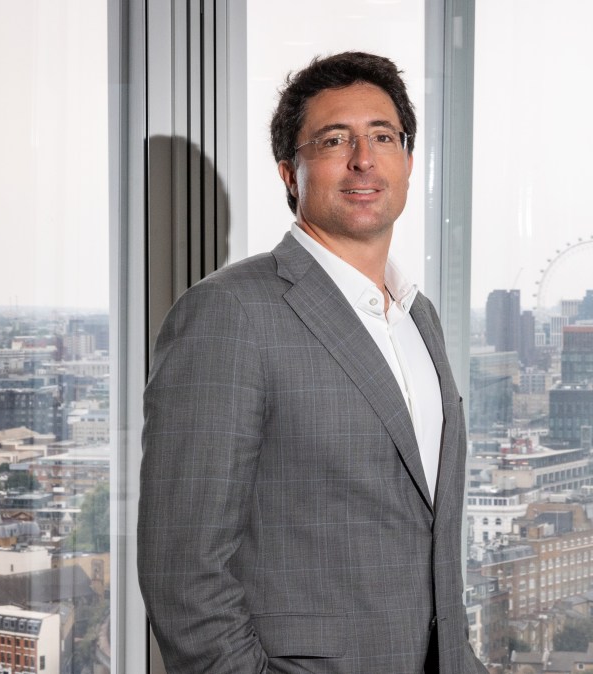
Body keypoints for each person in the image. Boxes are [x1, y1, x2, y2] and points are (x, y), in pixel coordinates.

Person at [139, 51, 486, 674]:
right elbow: (182, 571)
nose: (364, 158)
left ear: (408, 162)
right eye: (334, 140)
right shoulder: (229, 313)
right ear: (290, 173)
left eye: (383, 136)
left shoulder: (418, 317)